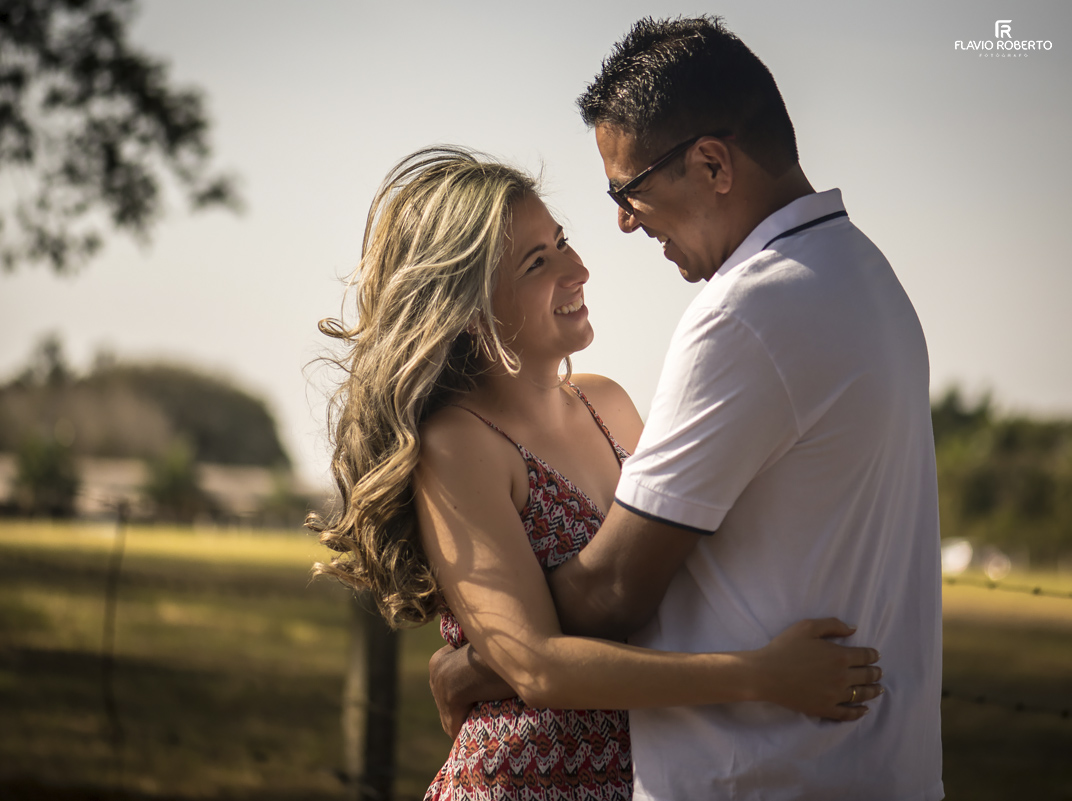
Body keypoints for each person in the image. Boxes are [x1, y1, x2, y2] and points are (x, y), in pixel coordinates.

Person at [430, 15, 944, 801]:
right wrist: (517, 649)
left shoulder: (748, 313)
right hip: (870, 766)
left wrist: (484, 658)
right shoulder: (864, 273)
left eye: (627, 190)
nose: (623, 221)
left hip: (766, 777)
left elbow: (616, 588)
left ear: (711, 164)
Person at [309, 145, 883, 801]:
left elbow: (667, 574)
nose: (578, 268)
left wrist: (472, 666)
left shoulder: (607, 402)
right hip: (523, 785)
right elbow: (539, 667)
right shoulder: (461, 444)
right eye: (537, 262)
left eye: (561, 242)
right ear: (466, 309)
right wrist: (762, 676)